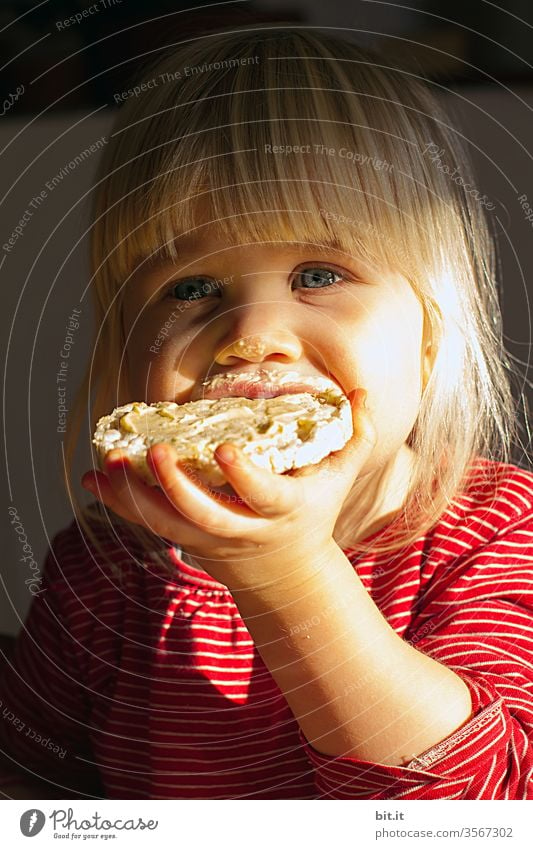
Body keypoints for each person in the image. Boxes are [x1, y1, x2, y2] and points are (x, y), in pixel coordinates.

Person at [1, 24, 532, 800]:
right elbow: (33, 788)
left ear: (429, 334)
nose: (249, 337)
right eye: (190, 288)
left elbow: (478, 807)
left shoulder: (500, 533)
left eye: (318, 272)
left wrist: (286, 572)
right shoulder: (104, 569)